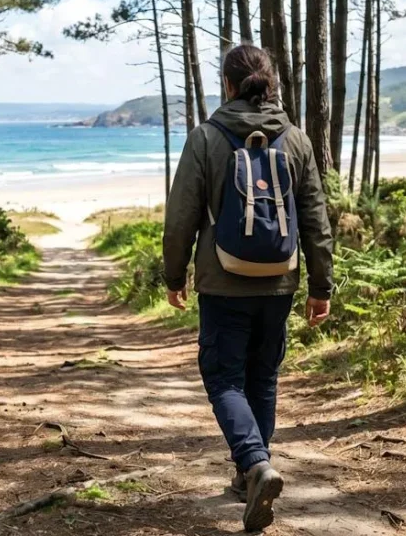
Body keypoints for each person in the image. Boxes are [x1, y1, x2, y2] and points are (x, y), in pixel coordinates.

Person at [162, 44, 334, 533]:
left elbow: (181, 218)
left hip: (223, 280)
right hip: (280, 280)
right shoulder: (296, 140)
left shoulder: (206, 137)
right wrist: (320, 286)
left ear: (229, 85)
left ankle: (256, 464)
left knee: (223, 378)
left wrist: (175, 276)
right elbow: (317, 220)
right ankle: (249, 475)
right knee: (263, 377)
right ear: (272, 84)